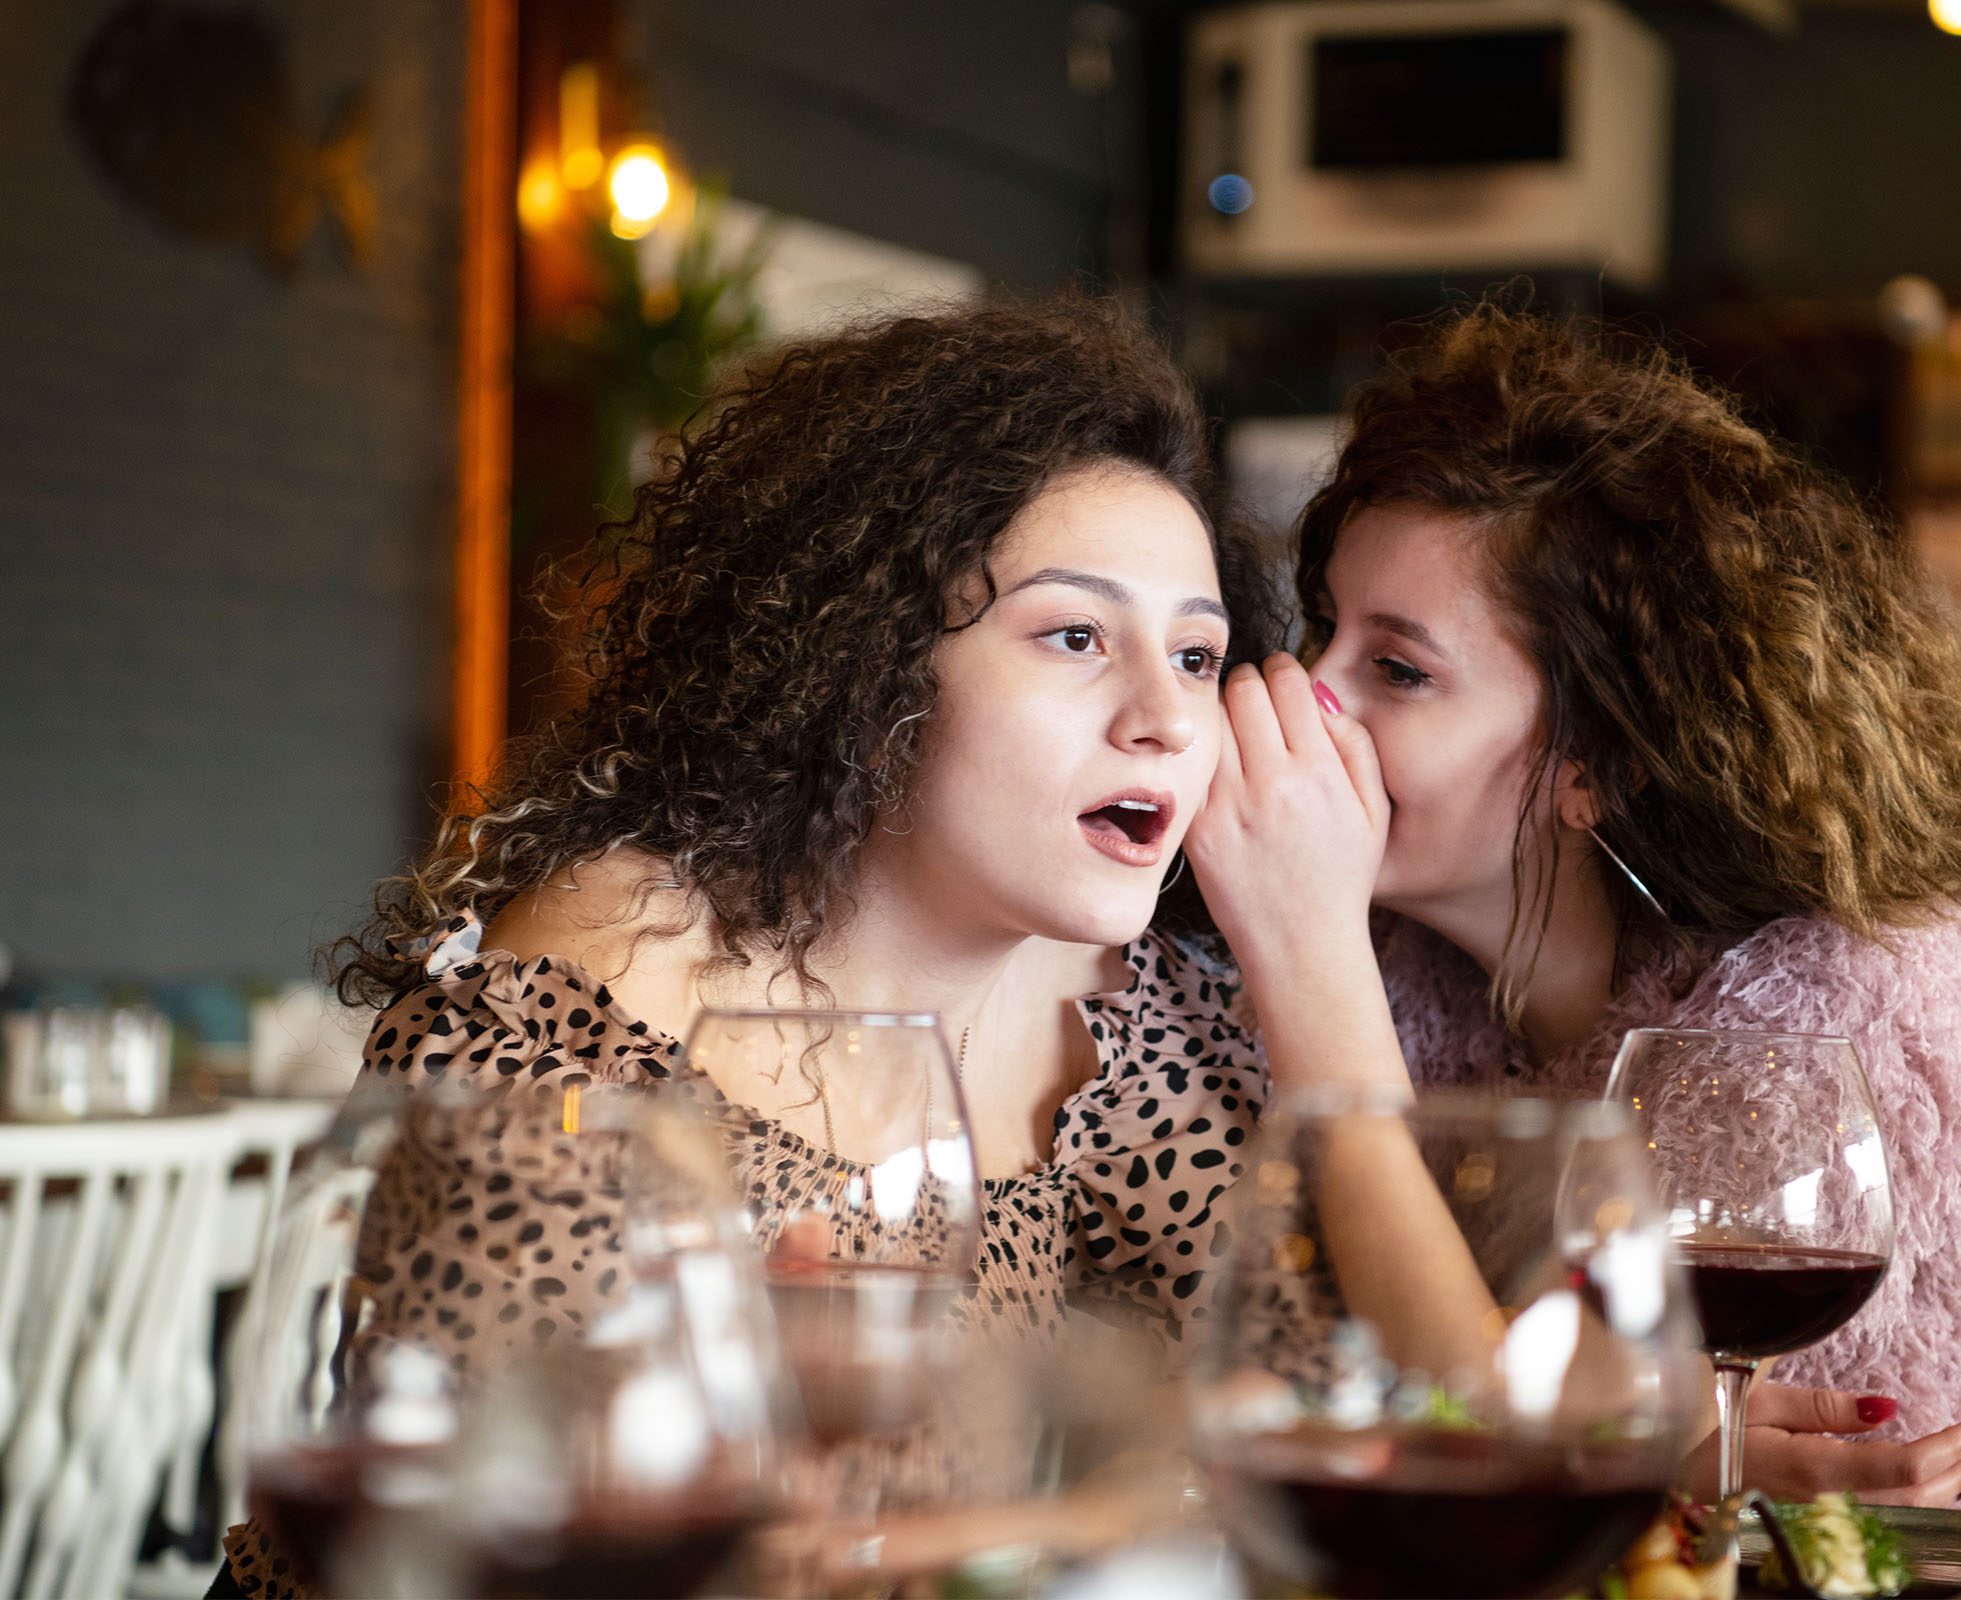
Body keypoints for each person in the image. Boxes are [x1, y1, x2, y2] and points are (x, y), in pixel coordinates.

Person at [219, 296, 1274, 1598]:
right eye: (1073, 635)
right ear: (870, 658)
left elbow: (1334, 1423)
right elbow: (472, 1520)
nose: (1168, 717)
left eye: (1197, 653)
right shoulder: (607, 972)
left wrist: (1321, 950)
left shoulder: (1122, 1017)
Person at [1188, 305, 1961, 1519]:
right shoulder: (1407, 962)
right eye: (1325, 632)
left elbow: (1505, 1423)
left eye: (1398, 668)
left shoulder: (1839, 990)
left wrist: (1309, 970)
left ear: (1596, 764)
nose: (1305, 699)